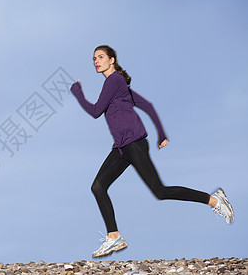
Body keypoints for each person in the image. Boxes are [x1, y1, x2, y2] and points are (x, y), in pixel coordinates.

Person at [70, 45, 234, 258]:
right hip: (122, 147)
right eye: (93, 58)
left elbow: (95, 111)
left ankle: (214, 200)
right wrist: (161, 133)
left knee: (160, 191)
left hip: (134, 144)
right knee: (98, 186)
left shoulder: (114, 81)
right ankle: (114, 237)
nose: (96, 61)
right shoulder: (119, 86)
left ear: (112, 59)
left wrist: (78, 94)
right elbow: (147, 105)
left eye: (100, 57)